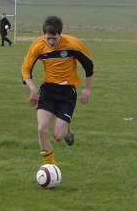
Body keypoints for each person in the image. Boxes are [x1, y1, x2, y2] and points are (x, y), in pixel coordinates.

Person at [21, 16, 93, 167]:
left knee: (58, 136)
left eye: (54, 38)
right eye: (48, 38)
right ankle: (50, 167)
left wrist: (87, 88)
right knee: (41, 129)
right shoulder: (38, 46)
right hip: (48, 89)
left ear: (60, 34)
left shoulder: (73, 44)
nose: (51, 42)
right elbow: (25, 70)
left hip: (67, 92)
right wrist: (33, 89)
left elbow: (89, 65)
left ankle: (66, 131)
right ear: (43, 35)